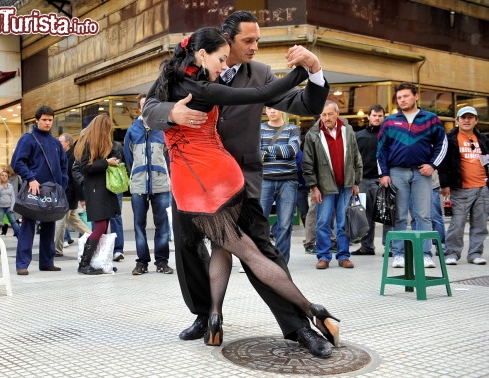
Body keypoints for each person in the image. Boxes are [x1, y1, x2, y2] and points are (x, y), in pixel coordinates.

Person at [144, 26, 337, 358]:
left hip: (235, 180)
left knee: (259, 250)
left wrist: (315, 72)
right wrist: (172, 112)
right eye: (248, 41)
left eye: (258, 40)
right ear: (225, 42)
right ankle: (206, 318)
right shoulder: (178, 73)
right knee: (190, 252)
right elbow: (149, 110)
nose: (255, 47)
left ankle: (299, 326)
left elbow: (304, 104)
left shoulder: (258, 73)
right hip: (189, 182)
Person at [377, 82, 447, 269]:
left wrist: (433, 165)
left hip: (422, 172)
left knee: (423, 215)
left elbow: (442, 144)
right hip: (397, 172)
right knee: (398, 216)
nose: (402, 100)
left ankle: (425, 254)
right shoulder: (390, 121)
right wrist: (383, 173)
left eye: (406, 96)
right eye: (399, 98)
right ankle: (399, 254)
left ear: (416, 96)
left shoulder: (430, 119)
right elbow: (381, 150)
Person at [303, 100, 362, 269]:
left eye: (330, 114)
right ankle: (323, 256)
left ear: (337, 114)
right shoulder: (312, 134)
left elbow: (356, 157)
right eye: (323, 115)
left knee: (343, 222)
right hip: (323, 186)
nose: (327, 118)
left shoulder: (348, 130)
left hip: (346, 185)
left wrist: (356, 181)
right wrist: (314, 187)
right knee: (322, 222)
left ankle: (343, 256)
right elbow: (308, 164)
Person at [11, 106, 68, 276]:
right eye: (44, 119)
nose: (47, 123)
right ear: (37, 120)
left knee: (49, 226)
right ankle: (22, 264)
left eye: (50, 120)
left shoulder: (55, 142)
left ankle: (47, 262)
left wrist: (61, 187)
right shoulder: (28, 139)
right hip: (33, 190)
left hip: (52, 192)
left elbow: (64, 167)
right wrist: (31, 178)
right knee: (27, 226)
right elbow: (17, 163)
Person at [124, 93, 173, 275]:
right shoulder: (132, 131)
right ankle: (141, 263)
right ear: (139, 108)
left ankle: (162, 262)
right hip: (138, 185)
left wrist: (165, 176)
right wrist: (137, 175)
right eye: (144, 105)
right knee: (139, 225)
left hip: (161, 185)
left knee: (163, 225)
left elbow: (170, 158)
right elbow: (128, 159)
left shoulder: (163, 129)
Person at [438, 106, 488, 265]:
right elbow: (443, 164)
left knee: (480, 224)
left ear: (476, 120)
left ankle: (475, 254)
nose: (467, 120)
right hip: (460, 188)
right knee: (457, 224)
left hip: (482, 187)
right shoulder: (449, 139)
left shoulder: (483, 139)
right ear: (457, 120)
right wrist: (445, 184)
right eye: (463, 117)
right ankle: (452, 253)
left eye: (470, 117)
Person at [74, 114, 122, 275]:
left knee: (104, 226)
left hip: (103, 189)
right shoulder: (87, 142)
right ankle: (84, 263)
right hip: (95, 191)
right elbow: (85, 167)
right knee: (100, 226)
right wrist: (107, 162)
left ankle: (100, 260)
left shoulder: (96, 143)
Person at [259, 107, 300, 263]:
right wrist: (278, 151)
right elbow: (257, 153)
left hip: (288, 181)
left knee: (285, 224)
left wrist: (267, 149)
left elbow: (291, 150)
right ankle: (261, 260)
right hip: (265, 180)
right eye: (269, 108)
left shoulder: (293, 129)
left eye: (275, 108)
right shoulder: (260, 129)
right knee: (261, 222)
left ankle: (281, 261)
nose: (272, 111)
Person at [353, 104, 391, 256]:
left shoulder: (388, 135)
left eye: (380, 116)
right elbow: (353, 159)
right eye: (374, 115)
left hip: (382, 180)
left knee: (387, 215)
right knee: (365, 216)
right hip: (362, 181)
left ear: (383, 117)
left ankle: (389, 247)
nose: (377, 118)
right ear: (368, 117)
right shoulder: (359, 136)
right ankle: (367, 246)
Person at [54, 133, 92, 257]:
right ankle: (94, 238)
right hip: (65, 194)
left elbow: (76, 179)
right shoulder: (63, 155)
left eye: (61, 142)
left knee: (60, 223)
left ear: (68, 143)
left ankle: (57, 249)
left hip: (68, 195)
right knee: (75, 221)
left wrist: (82, 197)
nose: (59, 144)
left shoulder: (72, 157)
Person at [109, 140, 126, 262]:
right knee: (98, 218)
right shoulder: (93, 143)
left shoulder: (116, 146)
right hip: (100, 184)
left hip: (114, 183)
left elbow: (122, 161)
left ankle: (118, 250)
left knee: (115, 216)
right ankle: (99, 248)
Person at [0, 170, 20, 237]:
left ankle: (20, 236)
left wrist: (12, 207)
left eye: (6, 176)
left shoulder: (10, 186)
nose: (4, 177)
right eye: (2, 175)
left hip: (9, 207)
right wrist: (1, 188)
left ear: (7, 178)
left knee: (13, 221)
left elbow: (13, 197)